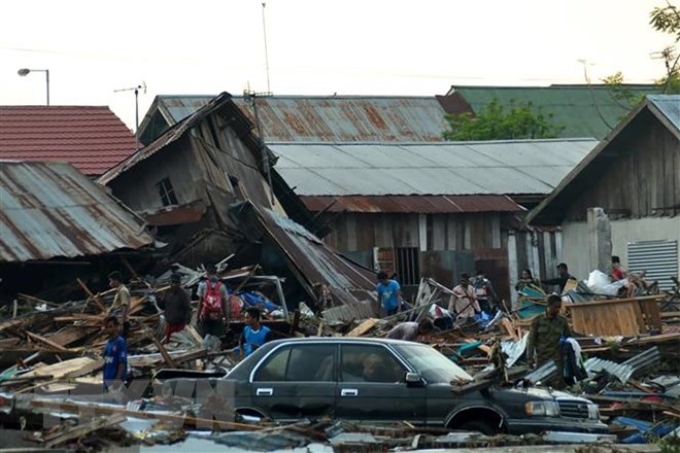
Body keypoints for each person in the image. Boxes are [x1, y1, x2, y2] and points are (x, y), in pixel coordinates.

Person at [526, 294, 571, 387]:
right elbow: (531, 341)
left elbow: (569, 338)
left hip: (557, 360)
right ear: (549, 306)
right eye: (555, 307)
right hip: (542, 358)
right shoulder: (537, 321)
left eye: (559, 307)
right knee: (542, 385)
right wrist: (529, 358)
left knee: (557, 386)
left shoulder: (562, 321)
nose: (558, 310)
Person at [197, 265, 230, 349]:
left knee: (205, 339)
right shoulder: (222, 286)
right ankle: (214, 354)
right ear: (216, 273)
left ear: (207, 273)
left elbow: (200, 303)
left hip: (205, 316)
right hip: (217, 317)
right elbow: (225, 305)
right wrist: (227, 320)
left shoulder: (203, 285)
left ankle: (205, 355)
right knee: (216, 339)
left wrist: (197, 317)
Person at [157, 273, 192, 344]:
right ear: (169, 283)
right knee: (169, 343)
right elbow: (163, 307)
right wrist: (157, 298)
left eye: (176, 283)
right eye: (172, 282)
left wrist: (186, 324)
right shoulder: (167, 293)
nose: (174, 284)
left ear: (179, 283)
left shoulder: (183, 294)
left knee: (177, 343)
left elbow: (188, 309)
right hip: (169, 324)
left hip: (179, 325)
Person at [102, 316, 128, 393]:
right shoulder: (108, 343)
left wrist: (117, 380)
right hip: (107, 381)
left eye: (111, 326)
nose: (109, 329)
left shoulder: (120, 342)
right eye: (107, 327)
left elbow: (122, 362)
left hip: (115, 382)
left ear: (116, 327)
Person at [109, 271, 131, 338]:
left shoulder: (123, 291)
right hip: (117, 321)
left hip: (121, 321)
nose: (110, 283)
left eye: (111, 281)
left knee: (120, 342)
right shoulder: (119, 291)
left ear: (116, 281)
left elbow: (124, 306)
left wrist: (121, 323)